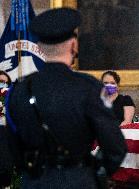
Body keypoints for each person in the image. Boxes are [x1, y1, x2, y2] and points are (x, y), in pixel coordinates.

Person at [2, 8, 127, 189]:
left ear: (39, 48)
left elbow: (13, 147)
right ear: (73, 45)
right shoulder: (90, 88)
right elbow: (115, 148)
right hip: (80, 181)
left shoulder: (18, 90)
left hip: (35, 182)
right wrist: (92, 174)